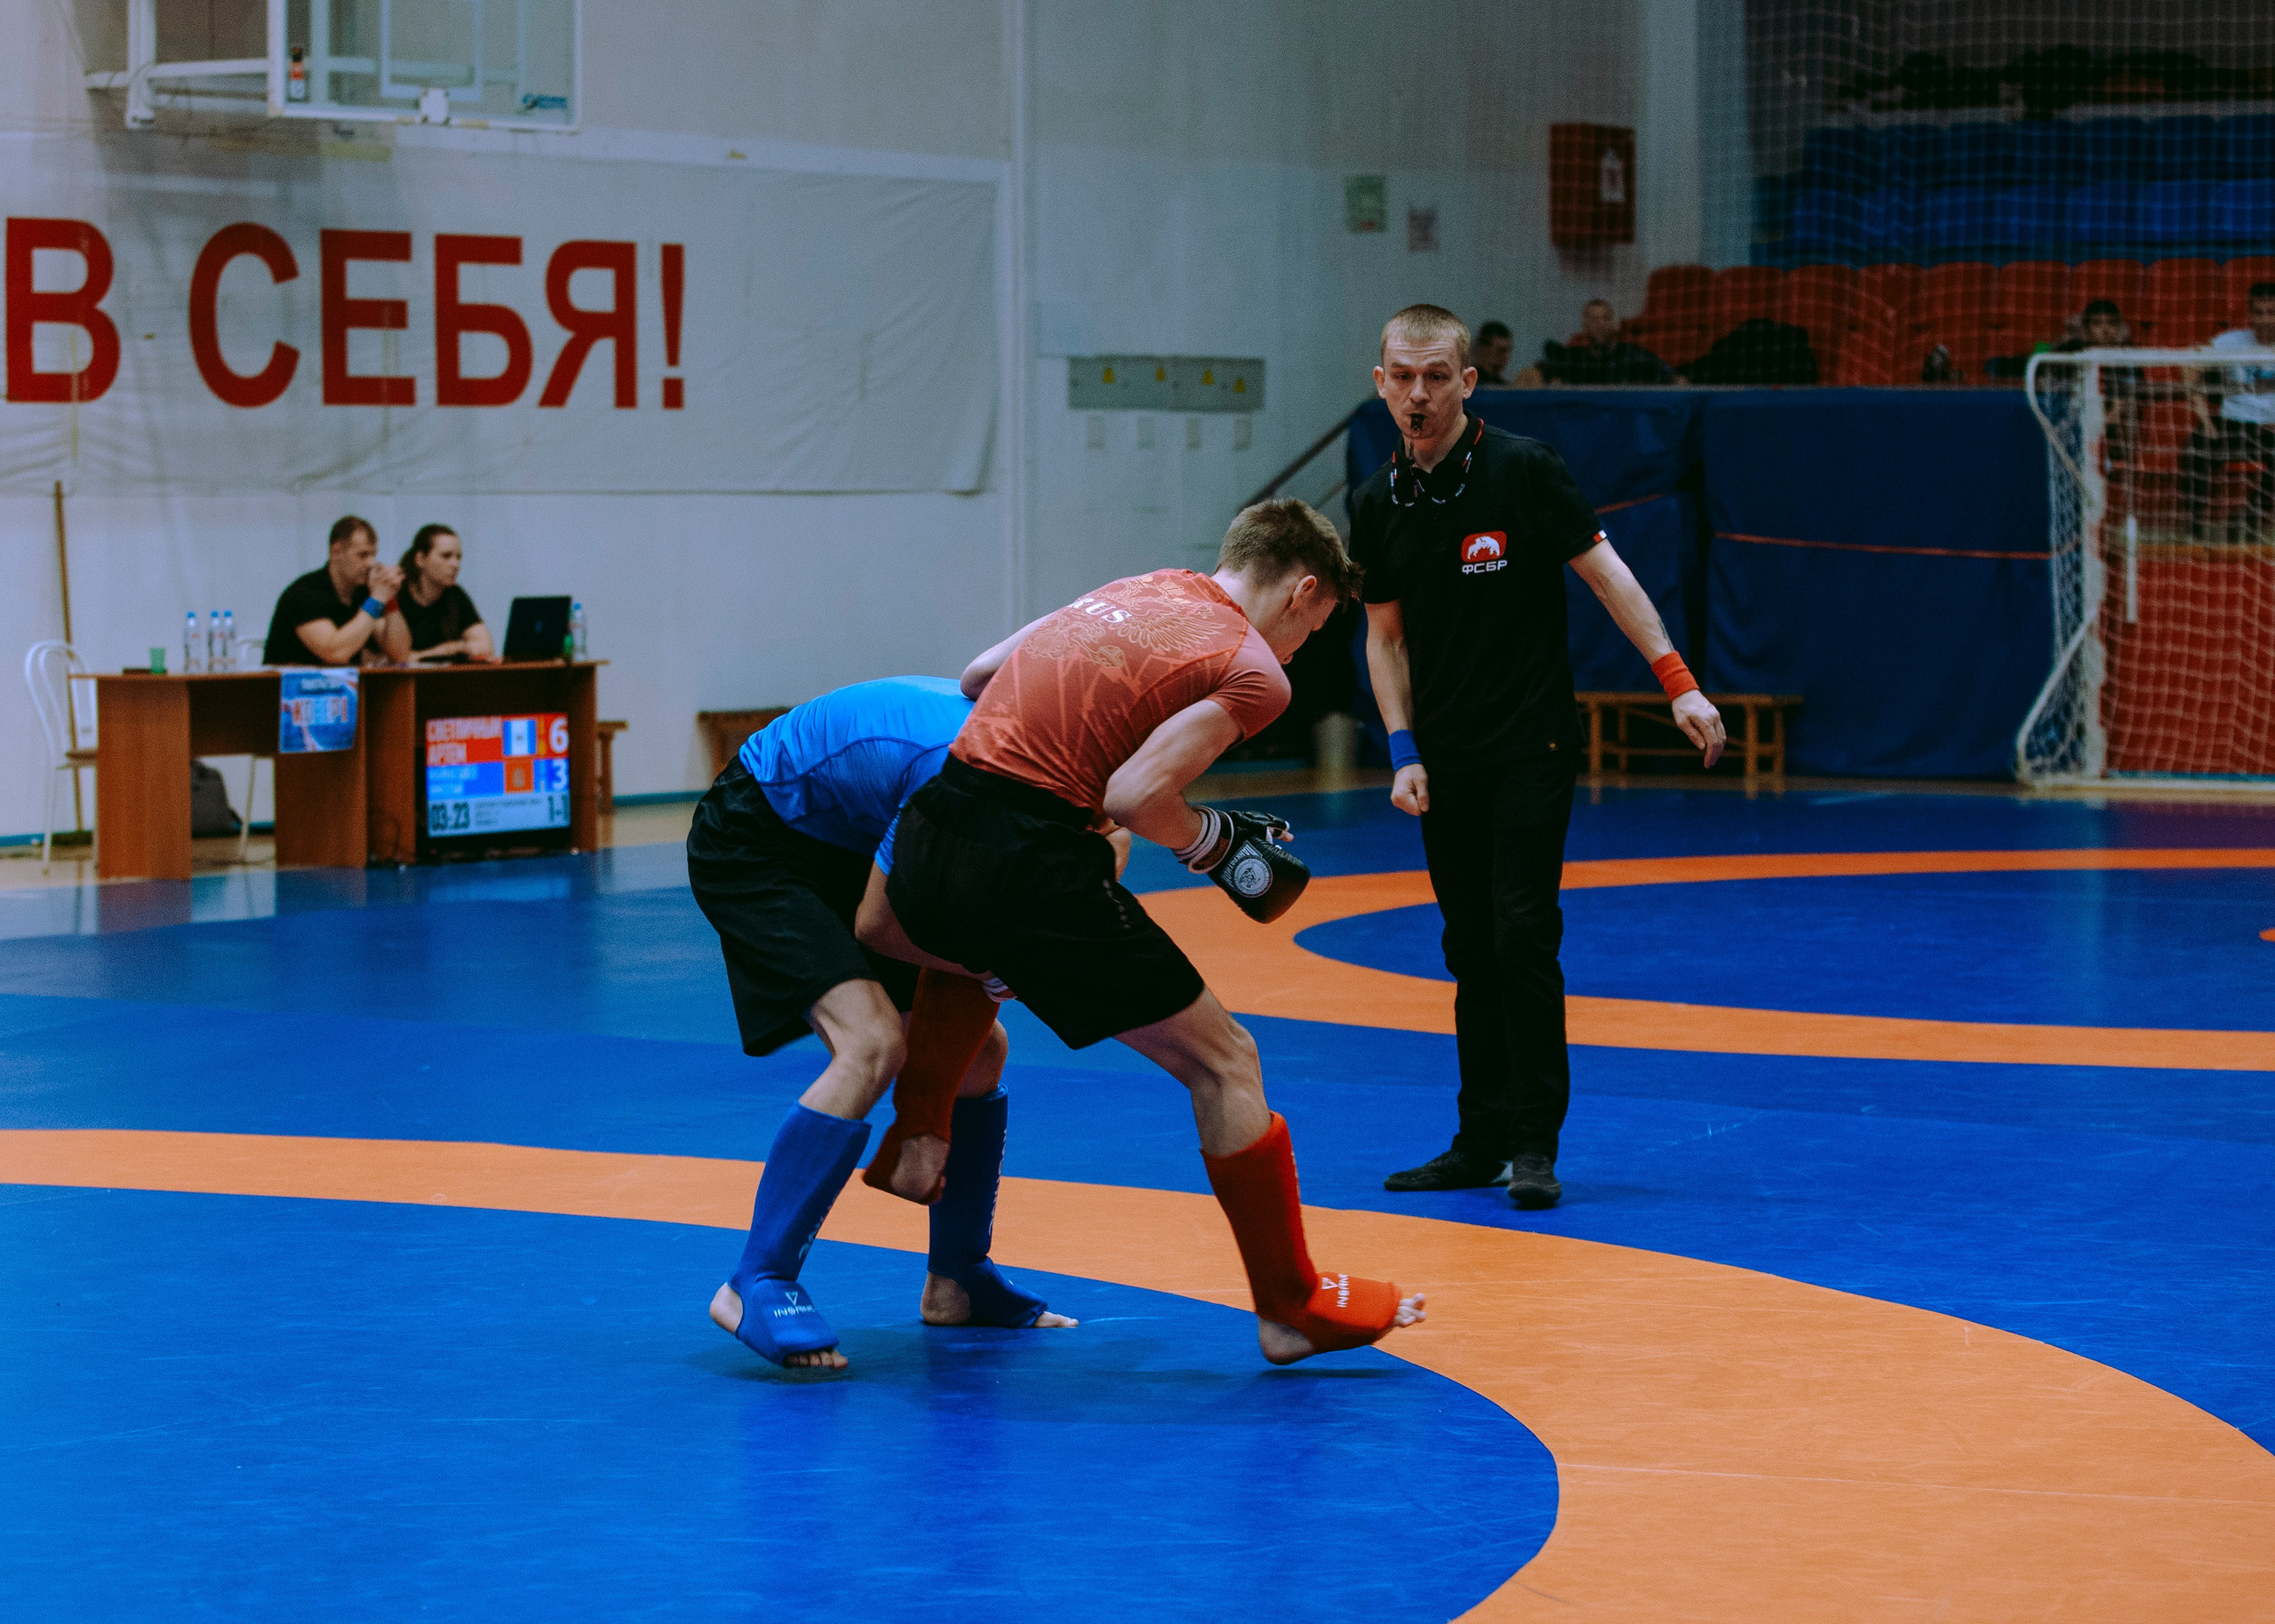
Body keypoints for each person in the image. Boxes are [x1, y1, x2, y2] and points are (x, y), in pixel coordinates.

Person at [860, 499, 1427, 1368]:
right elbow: (1134, 795)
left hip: (929, 835)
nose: (1299, 652)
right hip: (1025, 861)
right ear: (1303, 590)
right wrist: (1210, 842)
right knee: (1224, 1059)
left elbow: (978, 676)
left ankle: (925, 1145)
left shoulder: (1133, 588)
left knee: (985, 960)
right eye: (1311, 629)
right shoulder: (1252, 668)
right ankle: (1289, 1304)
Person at [1354, 304, 1724, 1209]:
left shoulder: (1521, 470)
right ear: (1380, 383)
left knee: (1522, 932)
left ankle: (1532, 1143)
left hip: (1532, 743)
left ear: (1467, 382)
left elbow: (1607, 573)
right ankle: (1476, 1138)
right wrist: (1401, 748)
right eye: (1402, 377)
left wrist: (1677, 679)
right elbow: (1385, 639)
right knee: (1467, 945)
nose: (1418, 394)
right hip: (1442, 759)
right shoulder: (1377, 504)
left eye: (1436, 376)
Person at [691, 674, 1080, 1373]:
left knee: (981, 1056)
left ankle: (957, 1279)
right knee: (870, 1042)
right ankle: (754, 1279)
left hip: (847, 836)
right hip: (758, 835)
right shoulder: (960, 772)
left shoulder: (1062, 765)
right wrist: (994, 965)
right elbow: (879, 922)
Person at [2184, 282, 2275, 542]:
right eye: (2260, 312)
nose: (2266, 319)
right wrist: (2204, 417)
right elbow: (2189, 365)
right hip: (2231, 422)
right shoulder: (2231, 341)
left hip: (2270, 428)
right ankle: (2194, 523)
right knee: (2196, 448)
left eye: (2272, 312)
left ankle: (2246, 521)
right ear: (2250, 313)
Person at [261, 514, 403, 665]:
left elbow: (400, 655)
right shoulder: (305, 592)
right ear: (336, 552)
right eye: (362, 555)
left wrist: (390, 600)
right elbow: (335, 653)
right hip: (293, 685)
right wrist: (376, 600)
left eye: (373, 555)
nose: (371, 563)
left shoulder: (364, 593)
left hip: (345, 686)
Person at [384, 525, 496, 662]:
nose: (455, 564)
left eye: (458, 557)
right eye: (446, 556)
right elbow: (398, 658)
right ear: (420, 559)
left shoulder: (455, 595)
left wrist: (449, 648)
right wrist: (449, 650)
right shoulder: (396, 593)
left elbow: (486, 646)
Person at [1513, 299, 1675, 386]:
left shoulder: (1633, 356)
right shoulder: (1573, 359)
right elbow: (1533, 373)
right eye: (1593, 319)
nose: (1600, 324)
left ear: (1615, 324)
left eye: (1605, 318)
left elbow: (1673, 377)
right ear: (1585, 327)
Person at [1473, 321, 1515, 386]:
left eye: (1508, 351)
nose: (1505, 356)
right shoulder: (1466, 383)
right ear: (1483, 350)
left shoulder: (1504, 387)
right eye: (1501, 350)